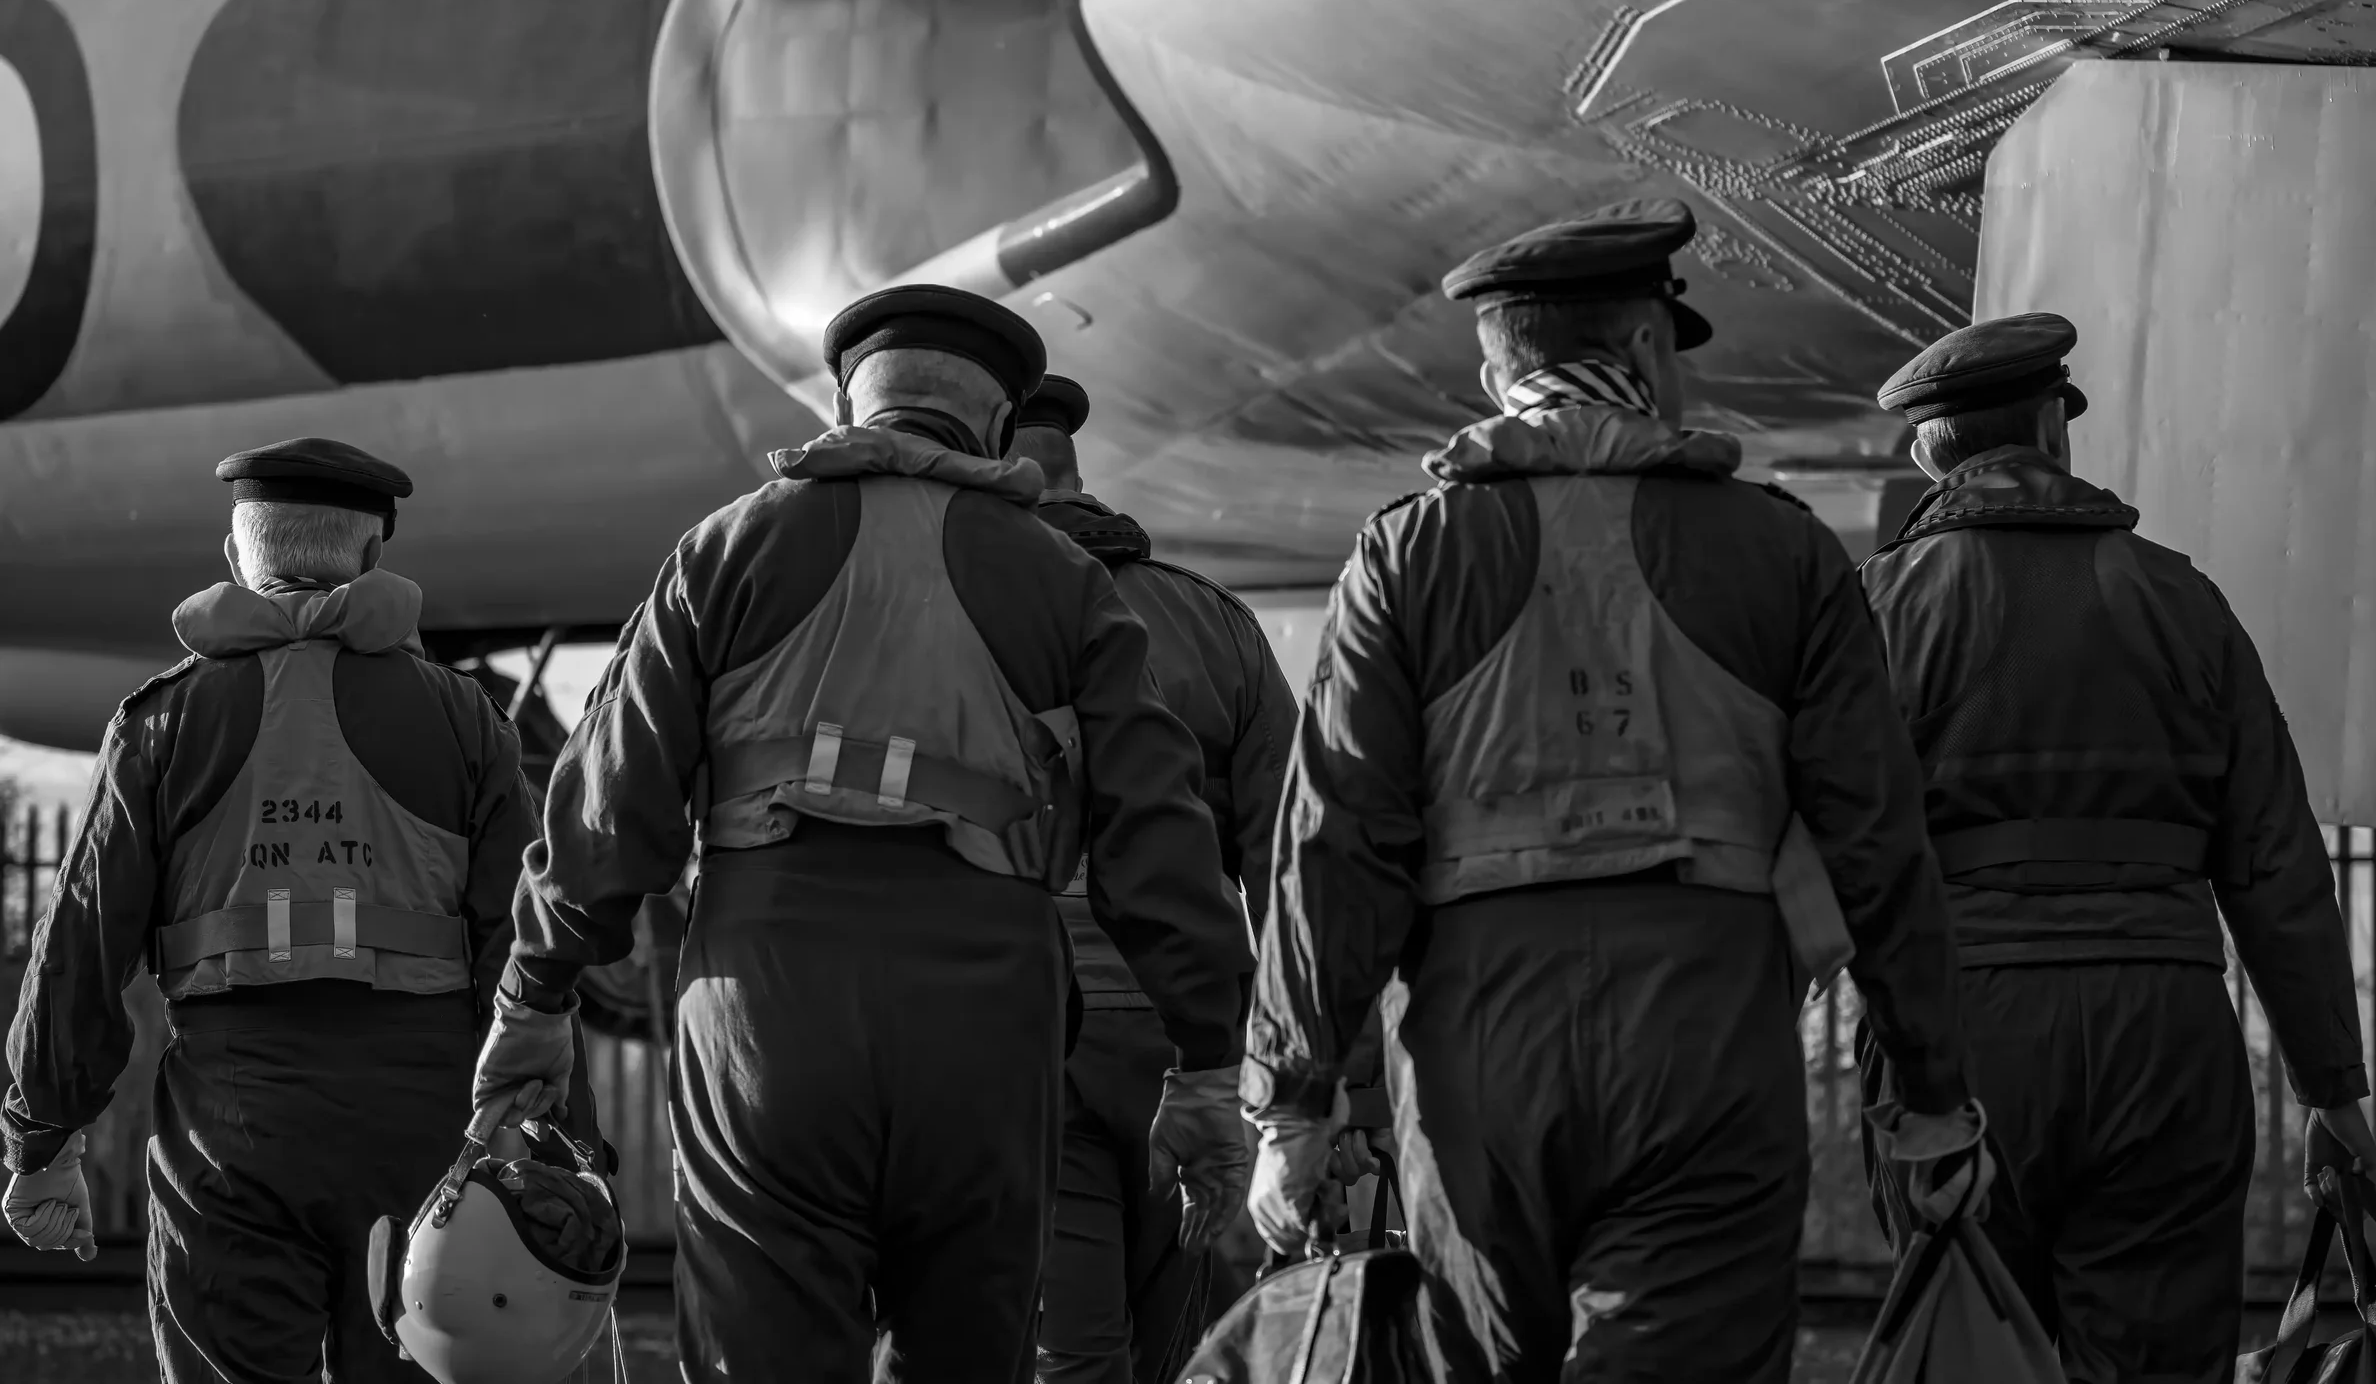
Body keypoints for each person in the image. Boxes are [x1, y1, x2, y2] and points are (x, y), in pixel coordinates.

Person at [1242, 203, 1980, 1383]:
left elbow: (1335, 835)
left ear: (1498, 366)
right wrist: (1930, 1094)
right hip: (1707, 1027)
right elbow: (1877, 836)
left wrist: (1294, 1098)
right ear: (1645, 350)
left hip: (1478, 1040)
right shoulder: (1782, 550)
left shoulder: (1407, 551)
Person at [475, 287, 1254, 1381]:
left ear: (848, 403)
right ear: (993, 425)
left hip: (766, 1013)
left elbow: (608, 806)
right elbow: (1159, 842)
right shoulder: (1067, 583)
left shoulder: (725, 549)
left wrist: (535, 996)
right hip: (987, 1020)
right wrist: (1210, 1065)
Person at [1858, 312, 2376, 1383]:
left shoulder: (1878, 611)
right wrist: (2332, 1086)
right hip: (2162, 1031)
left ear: (1926, 450)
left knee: (1962, 1349)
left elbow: (1821, 840)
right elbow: (2275, 857)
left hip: (1958, 1035)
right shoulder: (2181, 600)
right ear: (2054, 427)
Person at [1, 438, 546, 1382]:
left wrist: (43, 1139)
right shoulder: (466, 721)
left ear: (234, 557)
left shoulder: (161, 723)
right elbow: (529, 949)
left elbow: (81, 944)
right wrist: (548, 1141)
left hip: (231, 1132)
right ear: (375, 559)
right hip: (425, 1133)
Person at [1011, 373, 1296, 1384]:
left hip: (1031, 1024)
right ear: (1076, 466)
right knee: (1181, 1334)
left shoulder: (973, 603)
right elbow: (1285, 863)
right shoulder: (1216, 620)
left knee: (1067, 1348)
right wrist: (1290, 1069)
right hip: (1193, 1035)